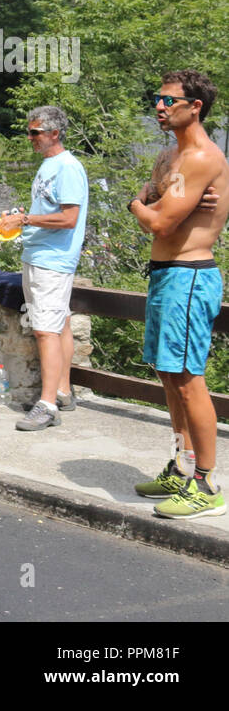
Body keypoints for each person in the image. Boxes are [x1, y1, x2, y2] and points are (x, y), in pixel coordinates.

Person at [128, 70, 229, 519]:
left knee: (188, 379)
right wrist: (154, 202)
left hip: (190, 276)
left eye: (168, 100)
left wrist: (137, 203)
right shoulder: (168, 159)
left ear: (195, 107)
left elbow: (160, 222)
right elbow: (160, 208)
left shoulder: (204, 157)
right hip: (166, 274)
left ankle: (206, 484)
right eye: (157, 98)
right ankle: (183, 466)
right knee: (168, 376)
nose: (159, 107)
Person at [0, 106, 89, 433]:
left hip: (52, 261)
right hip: (41, 256)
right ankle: (62, 391)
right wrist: (24, 217)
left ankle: (47, 405)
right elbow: (50, 212)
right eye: (29, 131)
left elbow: (69, 219)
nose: (30, 137)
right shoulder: (50, 166)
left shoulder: (67, 167)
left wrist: (25, 219)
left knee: (45, 330)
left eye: (35, 132)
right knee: (59, 324)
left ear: (54, 133)